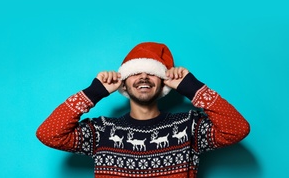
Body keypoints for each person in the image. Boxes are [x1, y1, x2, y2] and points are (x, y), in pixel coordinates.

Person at [36, 42, 250, 178]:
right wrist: (94, 92)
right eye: (136, 73)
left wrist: (192, 87)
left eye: (151, 73)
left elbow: (237, 129)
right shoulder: (101, 131)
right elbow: (49, 134)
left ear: (164, 82)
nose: (144, 77)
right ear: (124, 83)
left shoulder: (189, 127)